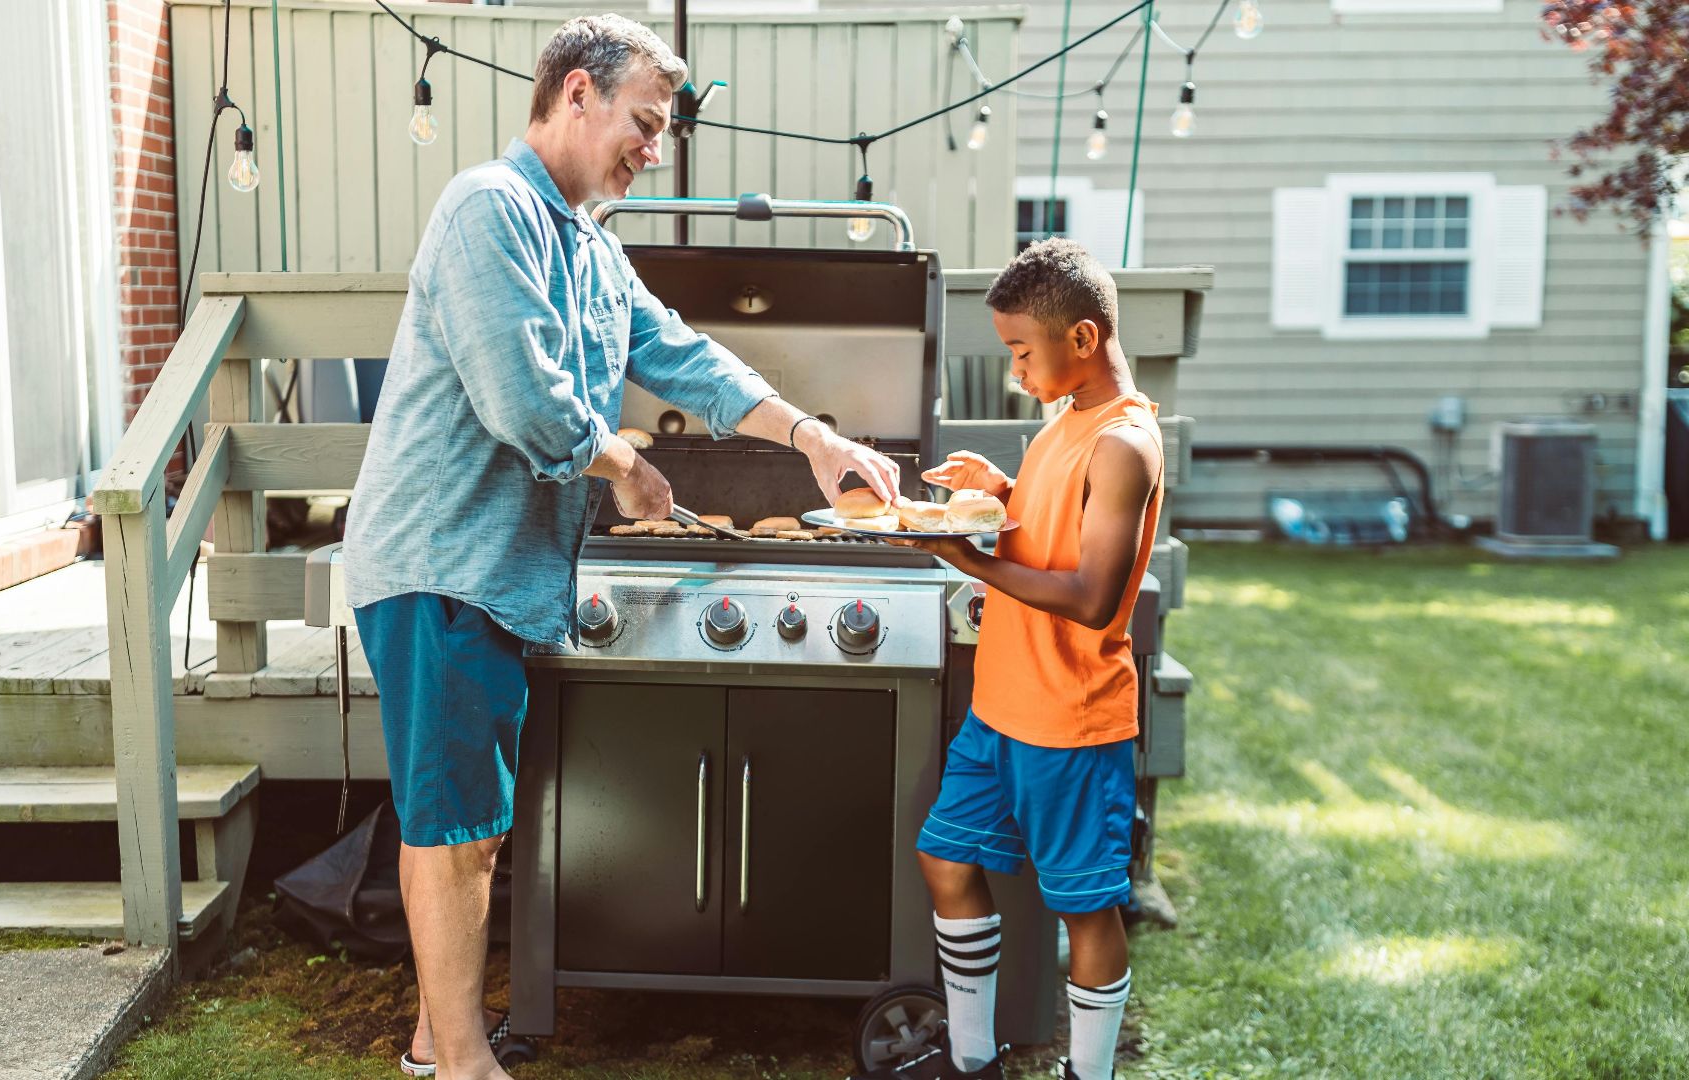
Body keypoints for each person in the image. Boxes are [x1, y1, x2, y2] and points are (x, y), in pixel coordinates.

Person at [339, 15, 901, 1080]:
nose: (656, 145)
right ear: (575, 94)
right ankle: (460, 1065)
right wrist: (626, 467)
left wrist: (813, 438)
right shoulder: (488, 210)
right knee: (455, 829)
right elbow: (527, 404)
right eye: (644, 122)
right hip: (441, 561)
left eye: (665, 129)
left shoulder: (591, 244)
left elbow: (678, 353)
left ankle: (433, 1044)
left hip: (494, 575)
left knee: (472, 825)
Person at [856, 238, 1163, 1080]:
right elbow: (1051, 530)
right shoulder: (1064, 422)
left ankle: (1085, 1075)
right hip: (1002, 706)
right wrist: (999, 492)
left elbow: (1095, 594)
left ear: (1084, 340)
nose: (1017, 369)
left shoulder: (1124, 445)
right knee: (946, 859)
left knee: (1087, 910)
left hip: (1072, 719)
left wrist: (970, 558)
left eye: (1022, 352)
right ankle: (972, 1060)